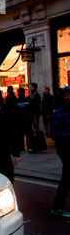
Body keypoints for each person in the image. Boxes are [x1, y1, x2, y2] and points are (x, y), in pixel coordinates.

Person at [49, 86, 70, 217]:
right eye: (65, 95)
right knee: (67, 177)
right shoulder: (58, 113)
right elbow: (53, 134)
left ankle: (57, 205)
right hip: (66, 149)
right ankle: (57, 206)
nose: (67, 97)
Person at [16, 87, 33, 151]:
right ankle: (29, 147)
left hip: (22, 119)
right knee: (27, 133)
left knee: (21, 134)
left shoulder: (17, 101)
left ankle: (22, 147)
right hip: (26, 119)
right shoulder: (28, 99)